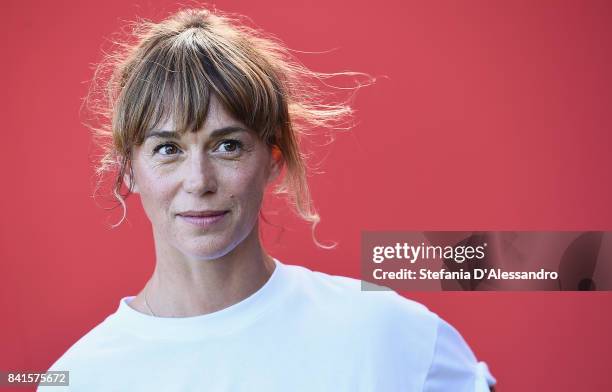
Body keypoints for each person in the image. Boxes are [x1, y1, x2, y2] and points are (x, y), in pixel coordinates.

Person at [39, 7, 497, 391]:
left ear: (274, 158)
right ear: (128, 170)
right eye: (168, 149)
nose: (199, 181)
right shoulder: (82, 377)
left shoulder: (390, 334)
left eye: (227, 145)